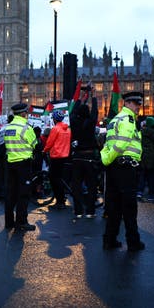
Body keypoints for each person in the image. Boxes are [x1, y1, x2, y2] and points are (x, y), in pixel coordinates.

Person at [100, 91, 146, 252]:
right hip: (125, 167)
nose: (138, 107)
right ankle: (133, 242)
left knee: (114, 206)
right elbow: (121, 143)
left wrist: (106, 159)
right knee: (129, 207)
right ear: (126, 103)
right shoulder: (128, 119)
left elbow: (107, 142)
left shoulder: (115, 120)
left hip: (114, 168)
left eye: (139, 104)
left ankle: (109, 239)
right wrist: (109, 158)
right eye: (135, 103)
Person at [4, 103, 37, 231]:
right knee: (23, 194)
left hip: (10, 163)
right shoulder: (26, 128)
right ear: (23, 114)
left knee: (11, 194)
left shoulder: (8, 127)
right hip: (23, 164)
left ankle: (9, 222)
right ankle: (21, 222)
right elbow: (35, 144)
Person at [69, 88, 100, 218]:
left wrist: (81, 99)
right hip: (89, 157)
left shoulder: (74, 121)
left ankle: (78, 211)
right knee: (91, 185)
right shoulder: (91, 122)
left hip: (77, 158)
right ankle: (91, 211)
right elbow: (95, 112)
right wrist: (93, 97)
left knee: (76, 186)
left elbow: (72, 113)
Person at [43, 110, 71, 210]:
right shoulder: (67, 129)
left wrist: (44, 150)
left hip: (56, 156)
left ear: (54, 119)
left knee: (54, 178)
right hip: (65, 156)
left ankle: (60, 201)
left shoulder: (55, 129)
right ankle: (62, 198)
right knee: (59, 178)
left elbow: (50, 142)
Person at [139, 116, 154, 200]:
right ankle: (152, 193)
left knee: (142, 175)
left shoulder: (142, 132)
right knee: (152, 175)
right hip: (152, 156)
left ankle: (139, 192)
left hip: (143, 155)